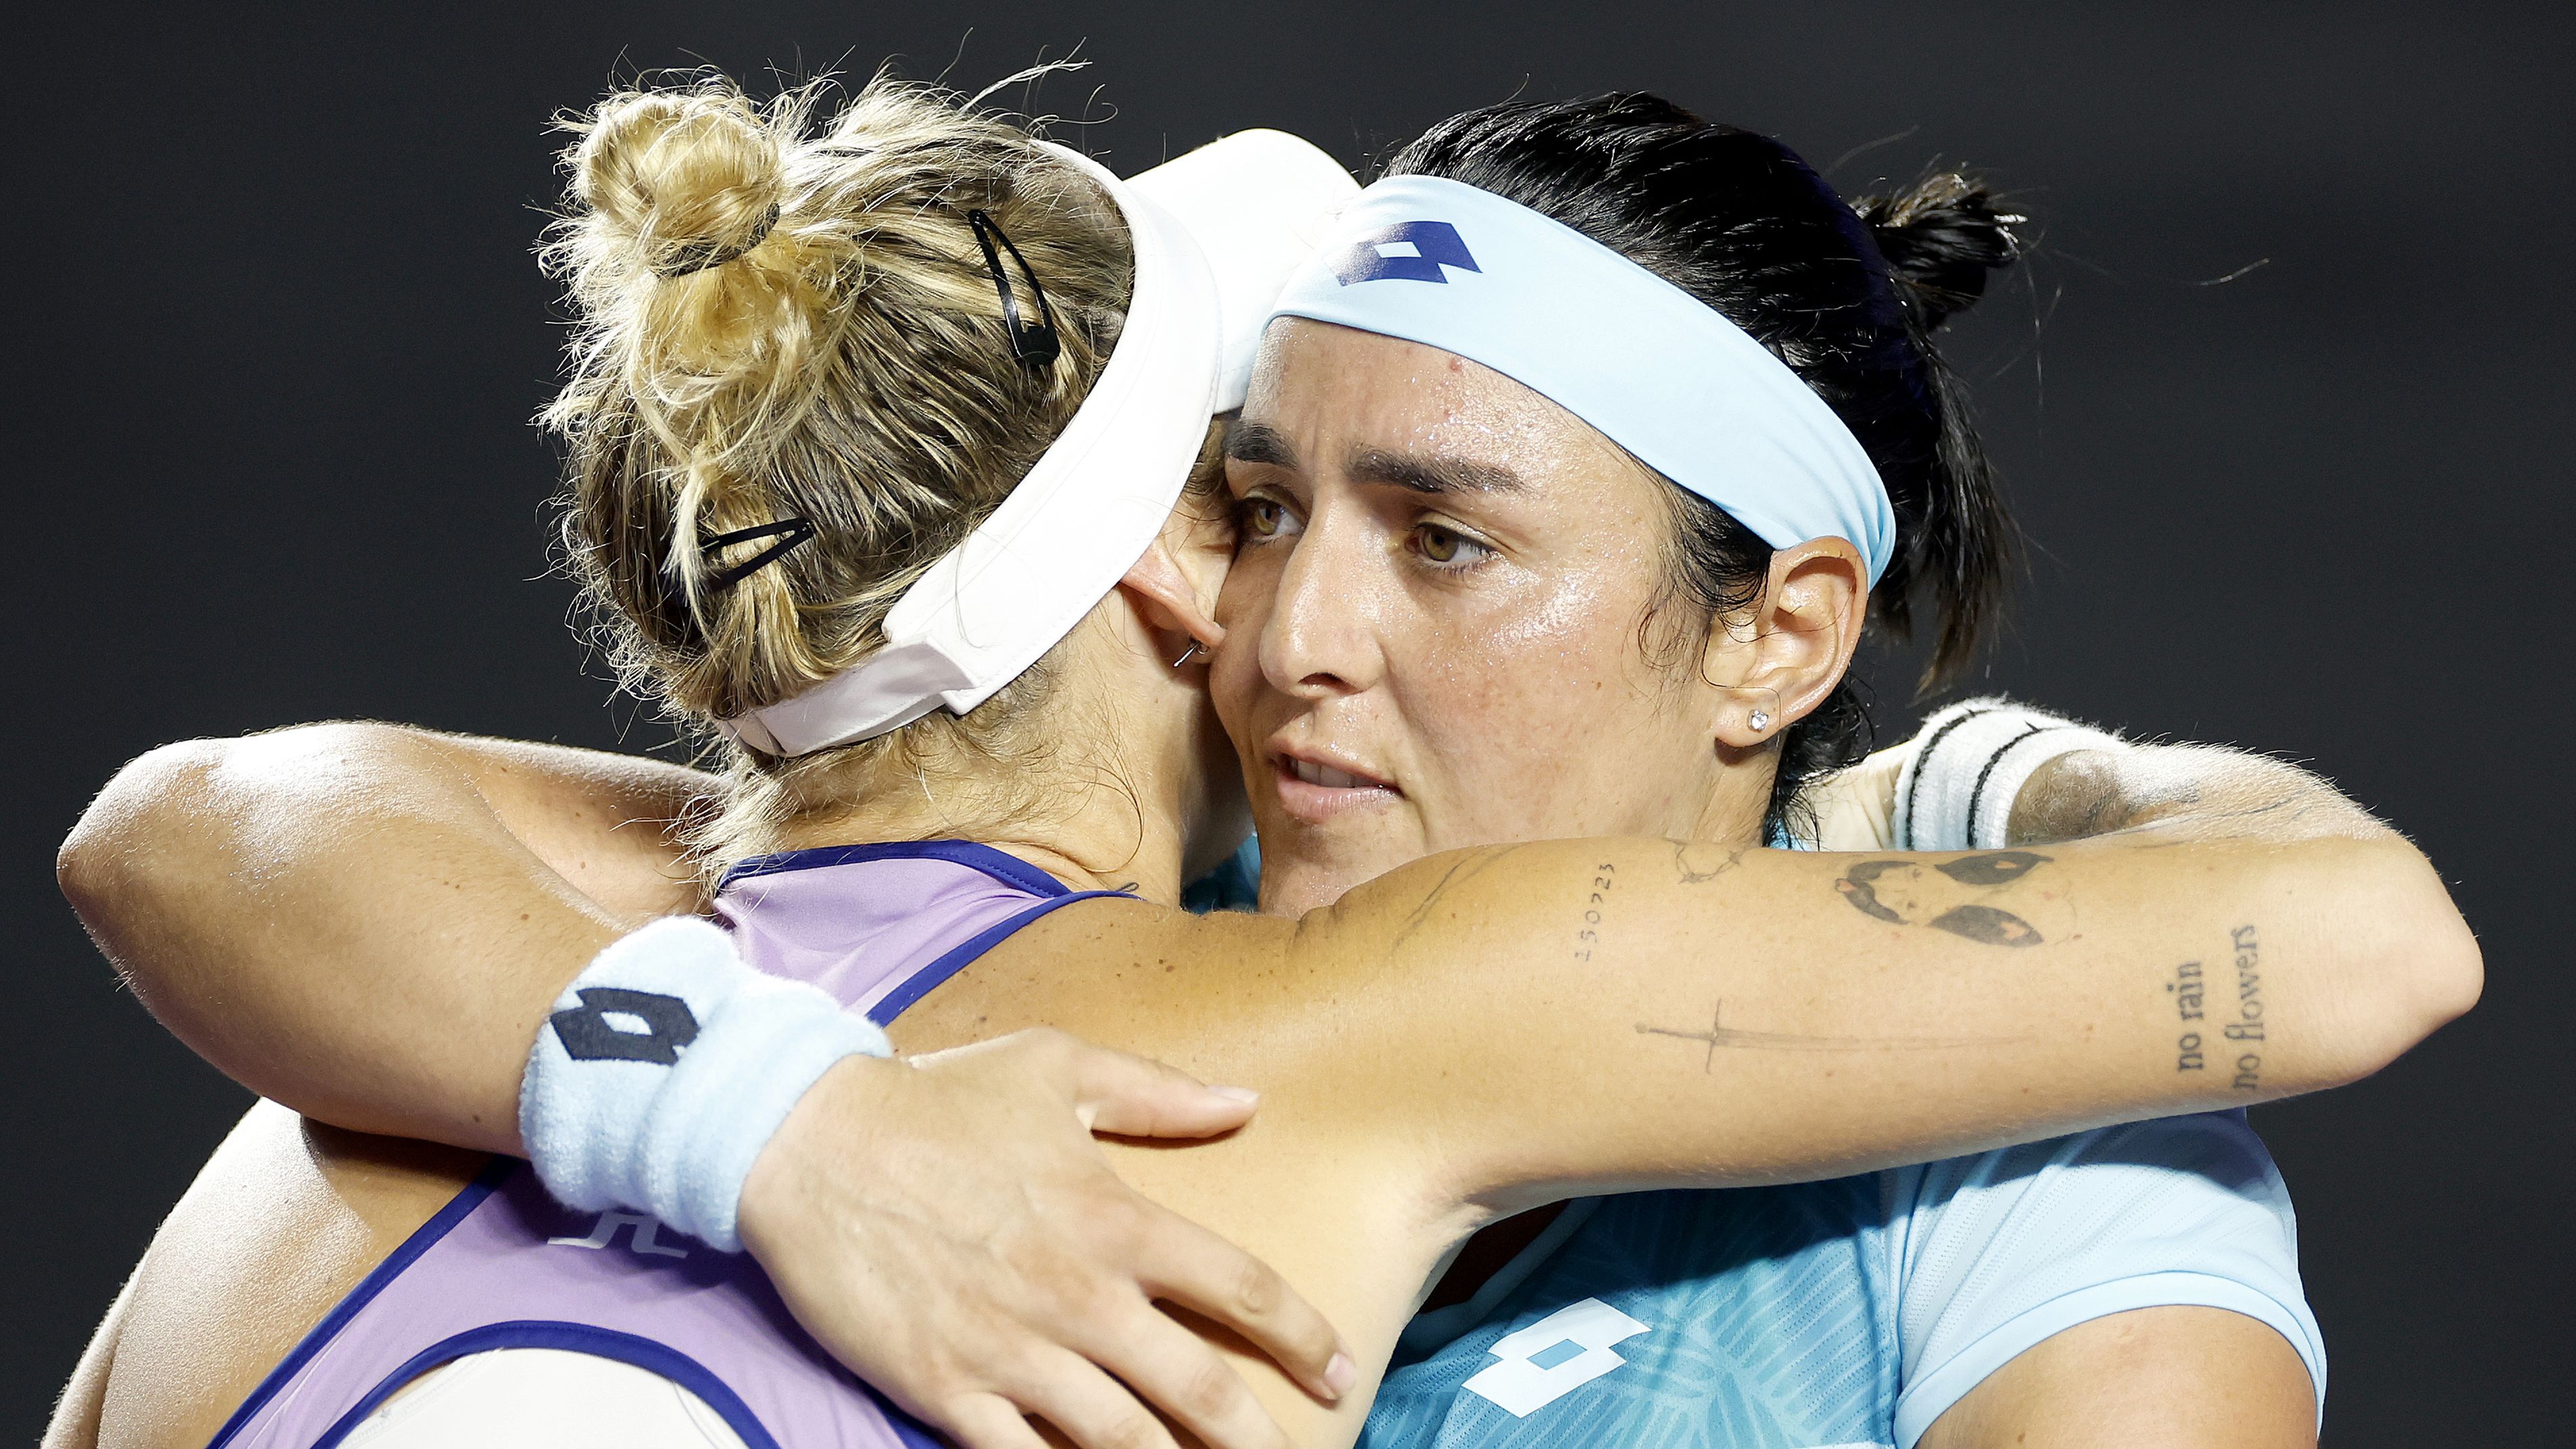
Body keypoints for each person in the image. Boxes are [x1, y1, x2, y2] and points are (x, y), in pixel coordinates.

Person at [50, 72, 2475, 1449]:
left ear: (1784, 639)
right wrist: (785, 1133)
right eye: (1264, 502)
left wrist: (1937, 791)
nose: (1301, 635)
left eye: (1443, 541)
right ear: (1164, 575)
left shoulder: (2039, 1169)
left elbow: (192, 822)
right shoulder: (696, 996)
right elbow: (211, 826)